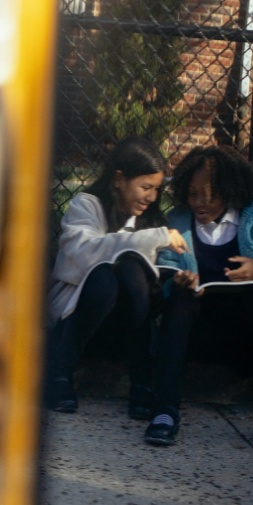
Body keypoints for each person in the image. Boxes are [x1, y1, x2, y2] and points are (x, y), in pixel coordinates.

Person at [148, 145, 253, 452]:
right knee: (181, 297)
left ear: (229, 189)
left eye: (208, 193)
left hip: (246, 340)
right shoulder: (179, 220)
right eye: (192, 193)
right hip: (195, 337)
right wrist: (176, 281)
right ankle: (164, 411)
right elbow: (164, 271)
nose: (199, 202)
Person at [43, 137, 188, 415]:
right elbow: (85, 252)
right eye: (145, 187)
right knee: (105, 278)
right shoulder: (85, 206)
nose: (152, 197)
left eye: (157, 189)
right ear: (119, 179)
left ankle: (141, 383)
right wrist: (152, 239)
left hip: (126, 330)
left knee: (133, 270)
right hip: (78, 323)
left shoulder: (152, 221)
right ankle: (59, 375)